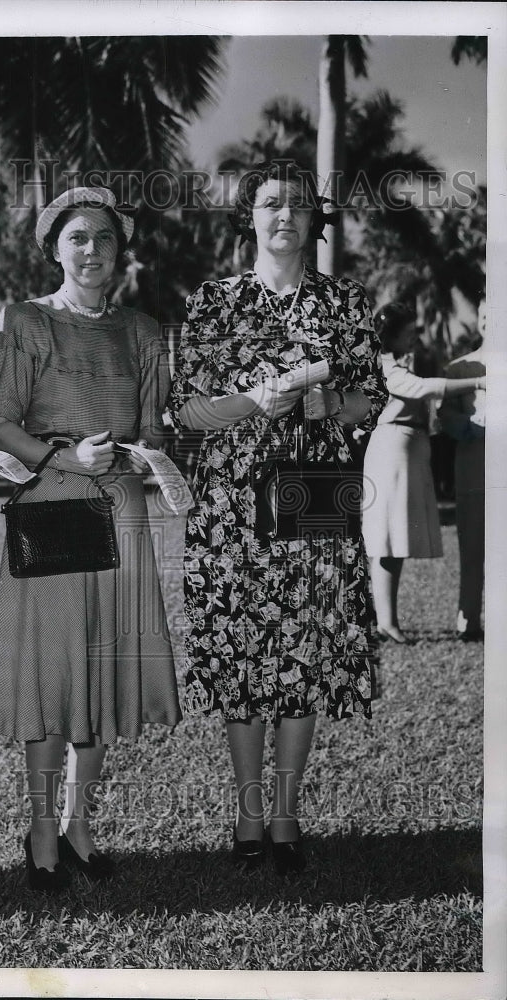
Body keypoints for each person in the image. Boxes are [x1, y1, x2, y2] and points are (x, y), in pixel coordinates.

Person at [170, 160, 387, 876]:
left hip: (316, 492)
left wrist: (332, 403)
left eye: (297, 205)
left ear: (313, 220)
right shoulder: (214, 302)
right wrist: (251, 403)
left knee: (305, 652)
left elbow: (371, 399)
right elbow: (186, 413)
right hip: (232, 503)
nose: (284, 215)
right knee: (242, 651)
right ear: (250, 217)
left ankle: (287, 816)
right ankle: (247, 812)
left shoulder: (342, 305)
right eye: (270, 203)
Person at [0, 186, 181, 891]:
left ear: (120, 249)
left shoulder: (144, 331)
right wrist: (67, 458)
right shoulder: (25, 321)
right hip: (53, 507)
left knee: (99, 673)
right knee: (53, 675)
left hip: (122, 512)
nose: (92, 250)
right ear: (54, 248)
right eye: (77, 238)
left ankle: (78, 824)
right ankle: (39, 829)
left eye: (103, 237)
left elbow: (154, 426)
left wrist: (143, 452)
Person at [362, 302, 484, 643]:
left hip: (406, 453)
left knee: (394, 540)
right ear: (394, 335)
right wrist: (478, 381)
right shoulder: (388, 368)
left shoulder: (400, 366)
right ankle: (385, 622)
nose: (415, 335)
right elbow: (424, 389)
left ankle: (387, 619)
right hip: (392, 453)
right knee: (386, 540)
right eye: (409, 331)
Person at [438, 297, 488, 640]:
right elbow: (444, 417)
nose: (488, 322)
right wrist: (471, 424)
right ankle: (468, 620)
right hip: (473, 469)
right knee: (472, 548)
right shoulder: (459, 368)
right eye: (483, 315)